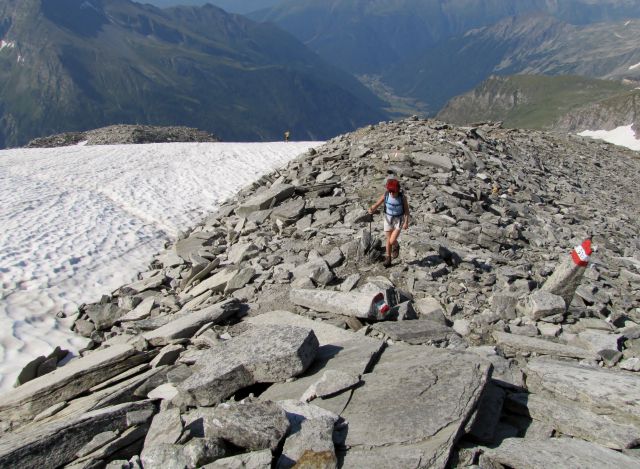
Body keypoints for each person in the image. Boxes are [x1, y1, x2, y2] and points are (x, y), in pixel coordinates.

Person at [368, 177, 409, 267]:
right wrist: (372, 209)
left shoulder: (402, 198)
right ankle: (388, 258)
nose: (391, 193)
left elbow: (406, 211)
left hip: (399, 220)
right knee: (388, 239)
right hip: (388, 218)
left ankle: (396, 245)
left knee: (392, 240)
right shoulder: (386, 195)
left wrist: (406, 222)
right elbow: (377, 204)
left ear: (397, 190)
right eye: (390, 191)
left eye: (393, 191)